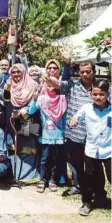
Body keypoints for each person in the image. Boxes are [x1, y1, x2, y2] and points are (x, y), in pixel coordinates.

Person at [69, 80, 111, 216]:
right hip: (91, 150)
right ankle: (87, 202)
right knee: (90, 178)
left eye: (101, 94)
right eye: (95, 94)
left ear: (107, 94)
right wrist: (73, 121)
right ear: (90, 94)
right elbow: (74, 118)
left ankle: (101, 198)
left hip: (109, 150)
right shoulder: (86, 108)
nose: (98, 97)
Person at [60, 56, 96, 196]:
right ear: (79, 73)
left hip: (93, 134)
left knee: (93, 164)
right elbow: (62, 82)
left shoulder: (100, 87)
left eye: (88, 71)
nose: (85, 74)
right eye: (82, 72)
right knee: (75, 162)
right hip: (74, 132)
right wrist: (67, 65)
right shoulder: (72, 85)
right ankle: (78, 185)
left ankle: (93, 188)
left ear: (93, 71)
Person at [29, 59, 67, 193]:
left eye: (54, 85)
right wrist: (34, 99)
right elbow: (31, 111)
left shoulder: (63, 98)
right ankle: (42, 179)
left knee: (57, 159)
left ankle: (52, 180)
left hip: (59, 135)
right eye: (48, 85)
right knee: (45, 158)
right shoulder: (42, 98)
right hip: (46, 135)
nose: (51, 87)